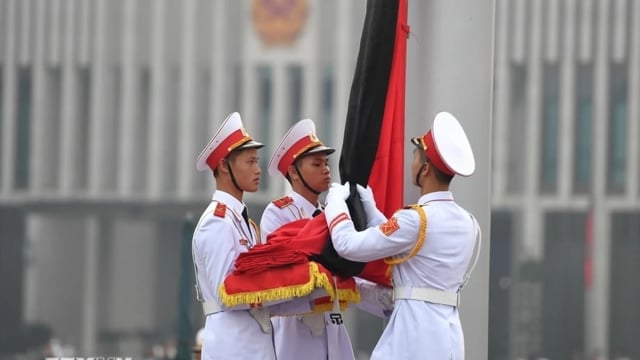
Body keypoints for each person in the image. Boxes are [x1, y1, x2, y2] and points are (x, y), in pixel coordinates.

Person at [323, 112, 481, 359]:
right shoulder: (468, 222)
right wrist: (373, 212)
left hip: (414, 337)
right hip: (448, 339)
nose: (413, 162)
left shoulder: (416, 219)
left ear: (425, 169)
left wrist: (335, 204)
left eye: (416, 156)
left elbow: (347, 244)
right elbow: (411, 247)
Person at [261, 119, 393, 360]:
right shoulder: (278, 212)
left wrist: (380, 297)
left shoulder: (330, 215)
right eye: (317, 163)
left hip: (332, 325)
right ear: (294, 172)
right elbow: (291, 273)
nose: (326, 169)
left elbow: (345, 275)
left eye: (327, 163)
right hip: (296, 333)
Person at [192, 112, 311, 360]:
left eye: (257, 162)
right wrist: (284, 283)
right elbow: (228, 293)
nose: (258, 170)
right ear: (224, 166)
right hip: (232, 343)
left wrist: (310, 294)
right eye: (250, 162)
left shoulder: (242, 221)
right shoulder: (217, 221)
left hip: (253, 341)